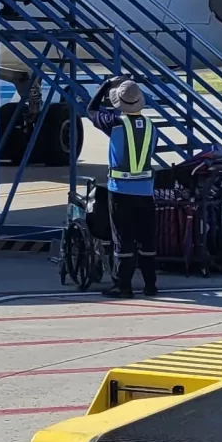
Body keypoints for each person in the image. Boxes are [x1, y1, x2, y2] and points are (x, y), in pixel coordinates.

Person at [93, 81, 160, 298]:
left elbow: (91, 110)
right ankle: (151, 285)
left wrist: (104, 87)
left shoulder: (115, 123)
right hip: (146, 191)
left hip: (120, 190)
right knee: (147, 239)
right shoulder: (151, 126)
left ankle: (124, 286)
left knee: (123, 239)